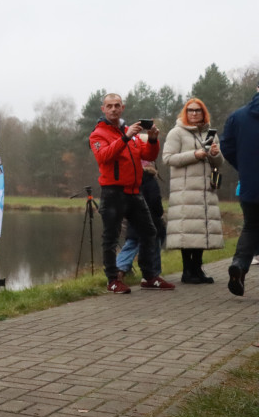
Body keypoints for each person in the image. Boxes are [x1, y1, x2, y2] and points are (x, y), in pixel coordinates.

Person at [89, 93, 172, 293]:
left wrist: (152, 140)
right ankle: (112, 280)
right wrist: (125, 138)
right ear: (103, 109)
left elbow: (149, 155)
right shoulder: (98, 134)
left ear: (123, 107)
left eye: (117, 105)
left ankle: (149, 276)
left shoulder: (131, 132)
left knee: (150, 232)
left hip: (134, 191)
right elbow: (104, 157)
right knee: (110, 237)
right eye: (109, 106)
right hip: (112, 192)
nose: (113, 109)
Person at [162, 98, 224, 284]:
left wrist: (215, 154)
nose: (194, 113)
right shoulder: (176, 133)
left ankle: (197, 270)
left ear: (204, 113)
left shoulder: (210, 133)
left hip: (206, 190)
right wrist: (194, 155)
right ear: (185, 112)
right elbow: (167, 158)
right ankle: (187, 271)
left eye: (198, 110)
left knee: (200, 230)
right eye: (190, 110)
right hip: (185, 191)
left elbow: (219, 162)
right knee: (186, 231)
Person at [221, 82, 259, 296]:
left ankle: (239, 265)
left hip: (250, 184)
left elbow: (226, 146)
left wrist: (244, 168)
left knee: (251, 227)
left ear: (257, 88)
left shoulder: (238, 116)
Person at [115, 160, 165, 282]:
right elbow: (155, 200)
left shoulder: (130, 180)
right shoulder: (151, 180)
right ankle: (153, 274)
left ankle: (118, 269)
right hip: (151, 221)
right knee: (154, 246)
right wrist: (160, 213)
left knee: (131, 244)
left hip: (134, 220)